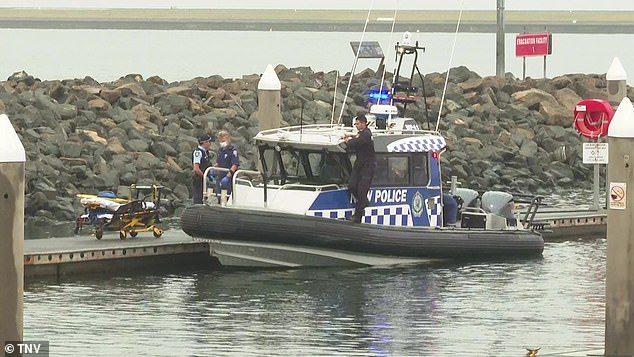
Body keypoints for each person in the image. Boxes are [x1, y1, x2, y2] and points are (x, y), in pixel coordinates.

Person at [343, 114, 376, 223]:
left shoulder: (367, 134)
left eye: (357, 123)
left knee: (362, 190)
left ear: (363, 123)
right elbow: (357, 138)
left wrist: (349, 141)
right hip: (359, 163)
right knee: (352, 184)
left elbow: (358, 141)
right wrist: (350, 137)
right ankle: (364, 202)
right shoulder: (360, 134)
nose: (356, 125)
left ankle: (358, 216)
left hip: (368, 165)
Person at [216, 130, 240, 195]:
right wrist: (213, 169)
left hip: (229, 177)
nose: (222, 142)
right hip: (220, 176)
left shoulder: (232, 150)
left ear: (228, 139)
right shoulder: (220, 151)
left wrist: (228, 176)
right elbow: (218, 162)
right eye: (221, 140)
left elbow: (235, 164)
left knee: (228, 195)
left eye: (224, 140)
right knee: (219, 195)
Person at [192, 134, 213, 204]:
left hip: (205, 178)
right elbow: (196, 168)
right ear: (204, 143)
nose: (210, 144)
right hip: (199, 179)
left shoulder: (206, 152)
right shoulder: (198, 152)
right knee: (198, 198)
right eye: (209, 142)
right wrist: (204, 176)